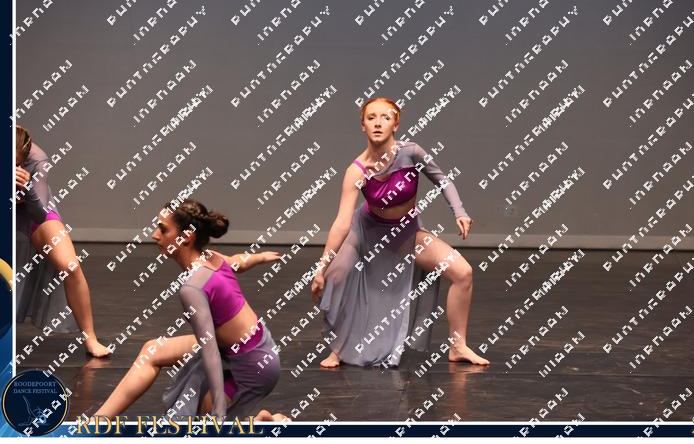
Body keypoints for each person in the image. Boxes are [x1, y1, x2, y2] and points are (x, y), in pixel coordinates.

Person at [311, 97, 489, 368]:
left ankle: (458, 346)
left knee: (463, 273)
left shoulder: (411, 153)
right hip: (365, 231)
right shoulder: (356, 171)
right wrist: (321, 268)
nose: (378, 123)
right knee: (336, 276)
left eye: (385, 117)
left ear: (396, 124)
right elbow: (342, 223)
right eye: (371, 117)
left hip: (405, 234)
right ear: (362, 125)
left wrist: (460, 211)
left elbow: (442, 180)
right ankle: (339, 349)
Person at [95, 199, 284, 419]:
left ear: (186, 237)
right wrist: (260, 257)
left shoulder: (192, 289)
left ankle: (266, 421)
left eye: (163, 229)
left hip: (254, 366)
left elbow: (210, 350)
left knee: (204, 418)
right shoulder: (212, 257)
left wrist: (218, 412)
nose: (154, 235)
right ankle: (98, 420)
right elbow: (238, 261)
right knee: (153, 350)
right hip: (251, 345)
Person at [15, 125, 110, 357]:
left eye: (16, 164)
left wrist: (27, 188)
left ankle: (90, 338)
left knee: (70, 265)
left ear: (23, 159)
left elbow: (39, 213)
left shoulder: (37, 158)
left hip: (31, 211)